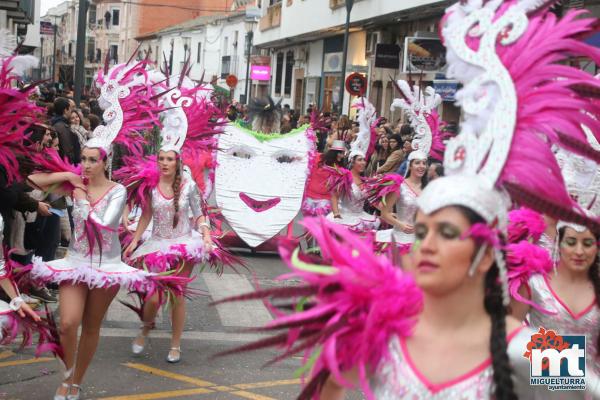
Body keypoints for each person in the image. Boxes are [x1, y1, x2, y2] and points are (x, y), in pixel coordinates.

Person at [29, 61, 184, 400]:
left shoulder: (117, 191)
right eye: (82, 159)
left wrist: (80, 193)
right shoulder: (75, 182)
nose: (84, 165)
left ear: (105, 162)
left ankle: (76, 381)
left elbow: (101, 225)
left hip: (106, 265)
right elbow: (31, 182)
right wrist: (64, 177)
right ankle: (66, 373)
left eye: (91, 160)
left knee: (92, 325)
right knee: (68, 323)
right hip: (75, 261)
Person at [511, 222, 600, 377]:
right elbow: (508, 335)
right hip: (543, 390)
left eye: (587, 244)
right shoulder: (535, 284)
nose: (579, 251)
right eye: (571, 242)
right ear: (559, 244)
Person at [51, 97, 80, 165]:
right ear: (65, 110)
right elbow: (67, 151)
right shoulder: (62, 128)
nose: (71, 111)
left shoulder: (54, 123)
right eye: (70, 108)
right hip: (65, 166)